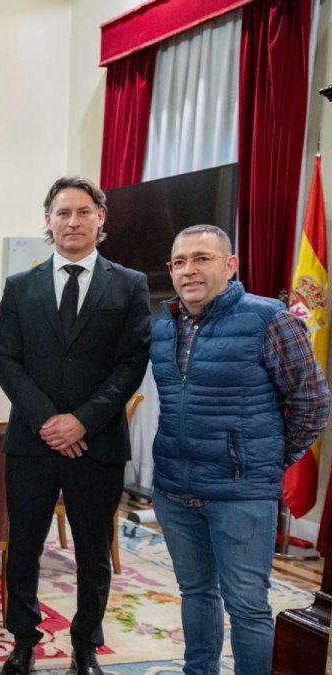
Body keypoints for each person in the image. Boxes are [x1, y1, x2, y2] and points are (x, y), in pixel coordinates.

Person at [0, 177, 151, 675]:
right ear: (49, 220)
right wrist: (48, 420)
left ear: (101, 218)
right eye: (63, 213)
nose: (73, 221)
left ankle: (85, 645)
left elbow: (131, 363)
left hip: (97, 443)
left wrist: (82, 421)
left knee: (93, 553)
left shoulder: (129, 284)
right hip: (31, 443)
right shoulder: (21, 286)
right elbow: (5, 359)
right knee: (23, 548)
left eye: (83, 212)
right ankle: (23, 641)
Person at [150, 224, 329, 674]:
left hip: (240, 495)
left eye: (202, 258)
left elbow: (312, 401)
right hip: (174, 490)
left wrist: (266, 460)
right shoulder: (163, 325)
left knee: (247, 606)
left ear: (230, 265)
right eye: (179, 262)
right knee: (196, 593)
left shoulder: (269, 319)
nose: (188, 270)